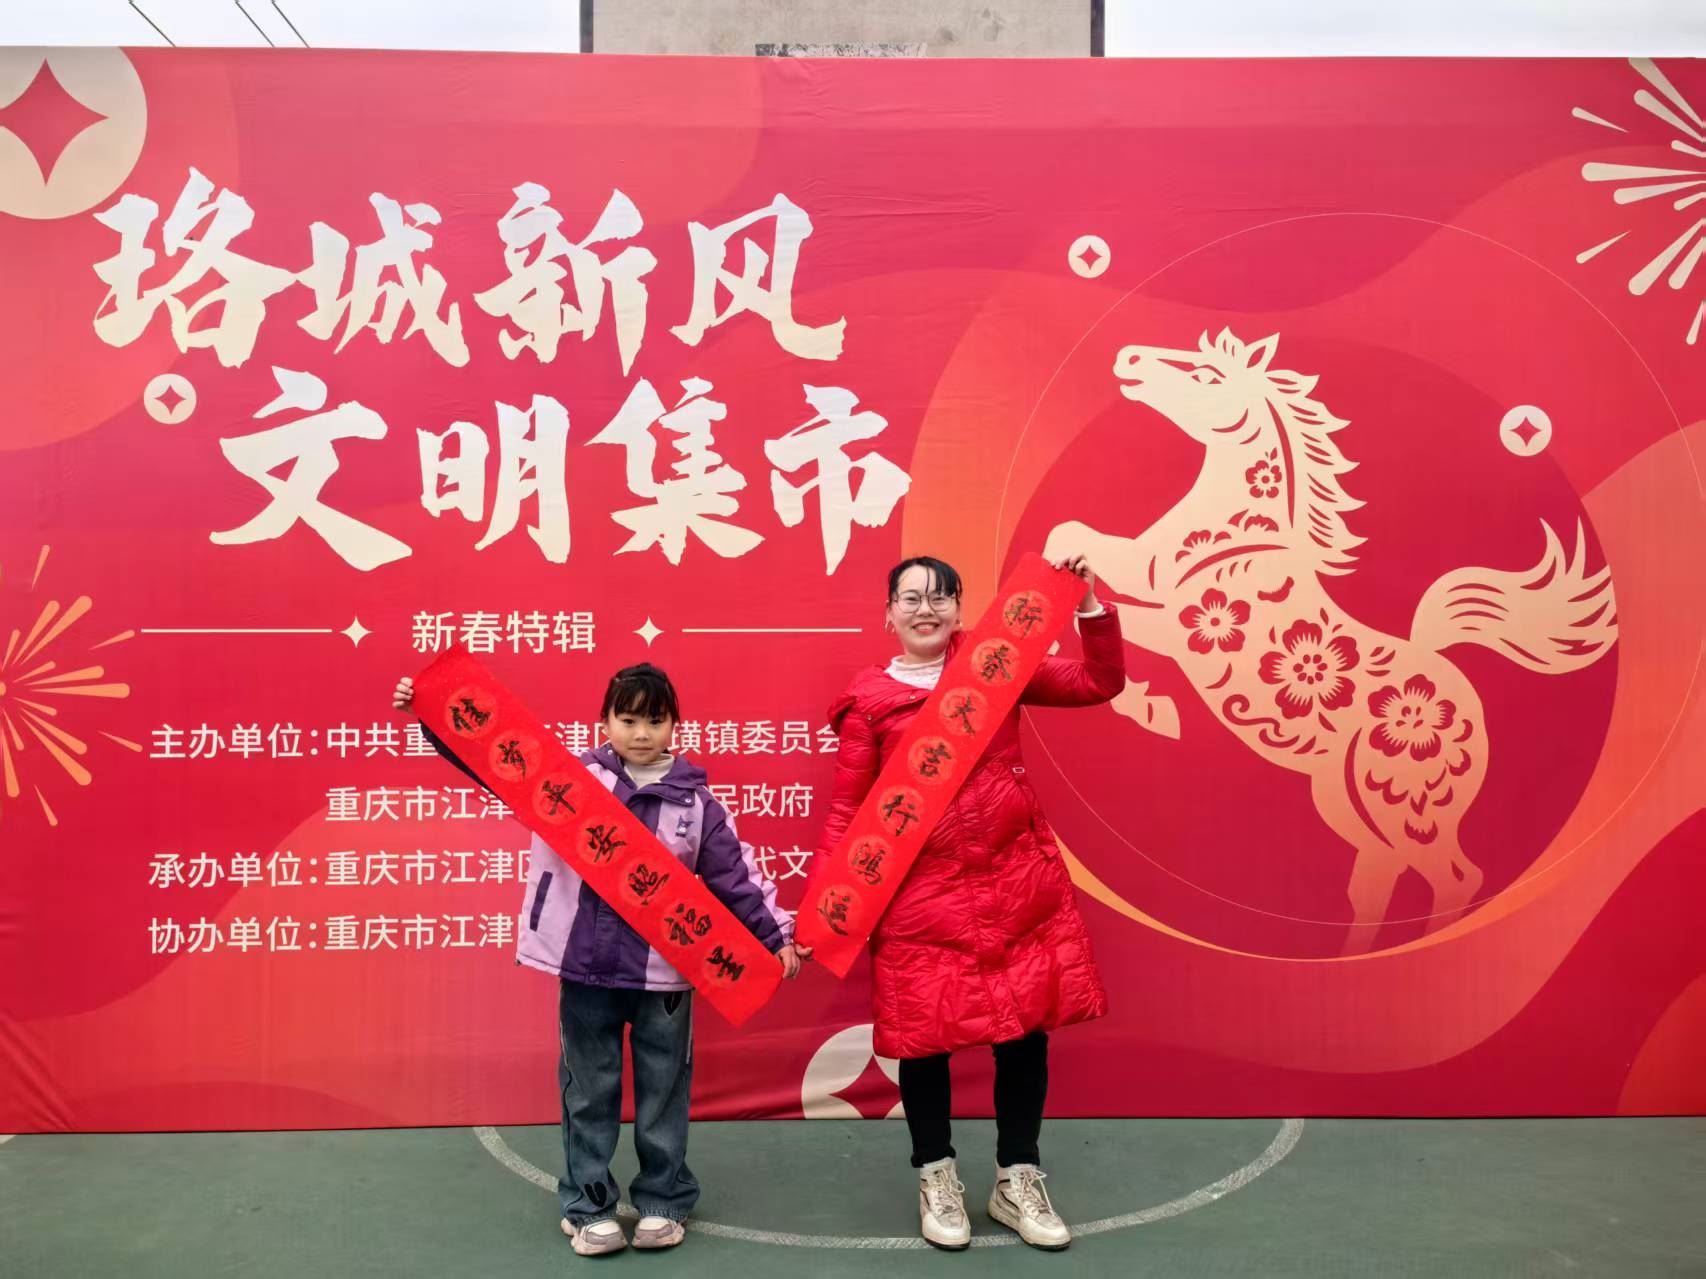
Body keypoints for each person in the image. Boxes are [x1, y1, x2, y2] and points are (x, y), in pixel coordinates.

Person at [393, 662, 809, 1256]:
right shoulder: (572, 781)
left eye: (655, 721)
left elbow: (735, 878)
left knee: (663, 1091)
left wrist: (775, 937)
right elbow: (489, 763)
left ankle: (664, 1200)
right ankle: (588, 1206)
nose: (641, 733)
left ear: (675, 726)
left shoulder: (697, 802)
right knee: (588, 1091)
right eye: (628, 719)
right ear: (605, 722)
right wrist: (433, 713)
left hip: (665, 976)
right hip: (584, 967)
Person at [814, 553, 1122, 1251]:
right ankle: (937, 1176)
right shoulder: (868, 701)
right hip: (918, 898)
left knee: (1024, 1032)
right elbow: (847, 813)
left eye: (940, 597)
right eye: (911, 598)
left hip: (1015, 883)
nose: (926, 609)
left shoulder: (994, 668)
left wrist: (1088, 605)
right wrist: (827, 913)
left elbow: (1099, 681)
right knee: (924, 1041)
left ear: (959, 609)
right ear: (888, 614)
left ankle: (1018, 1178)